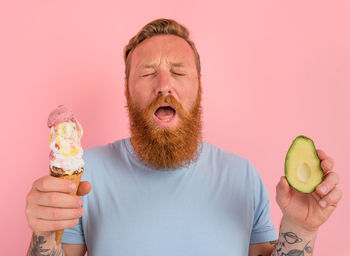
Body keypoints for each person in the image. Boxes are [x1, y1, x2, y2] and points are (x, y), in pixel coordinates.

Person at [25, 19, 342, 256]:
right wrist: (44, 233)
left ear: (199, 87)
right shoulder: (87, 174)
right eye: (148, 73)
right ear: (127, 89)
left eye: (178, 72)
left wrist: (301, 227)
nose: (164, 84)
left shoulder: (242, 175)